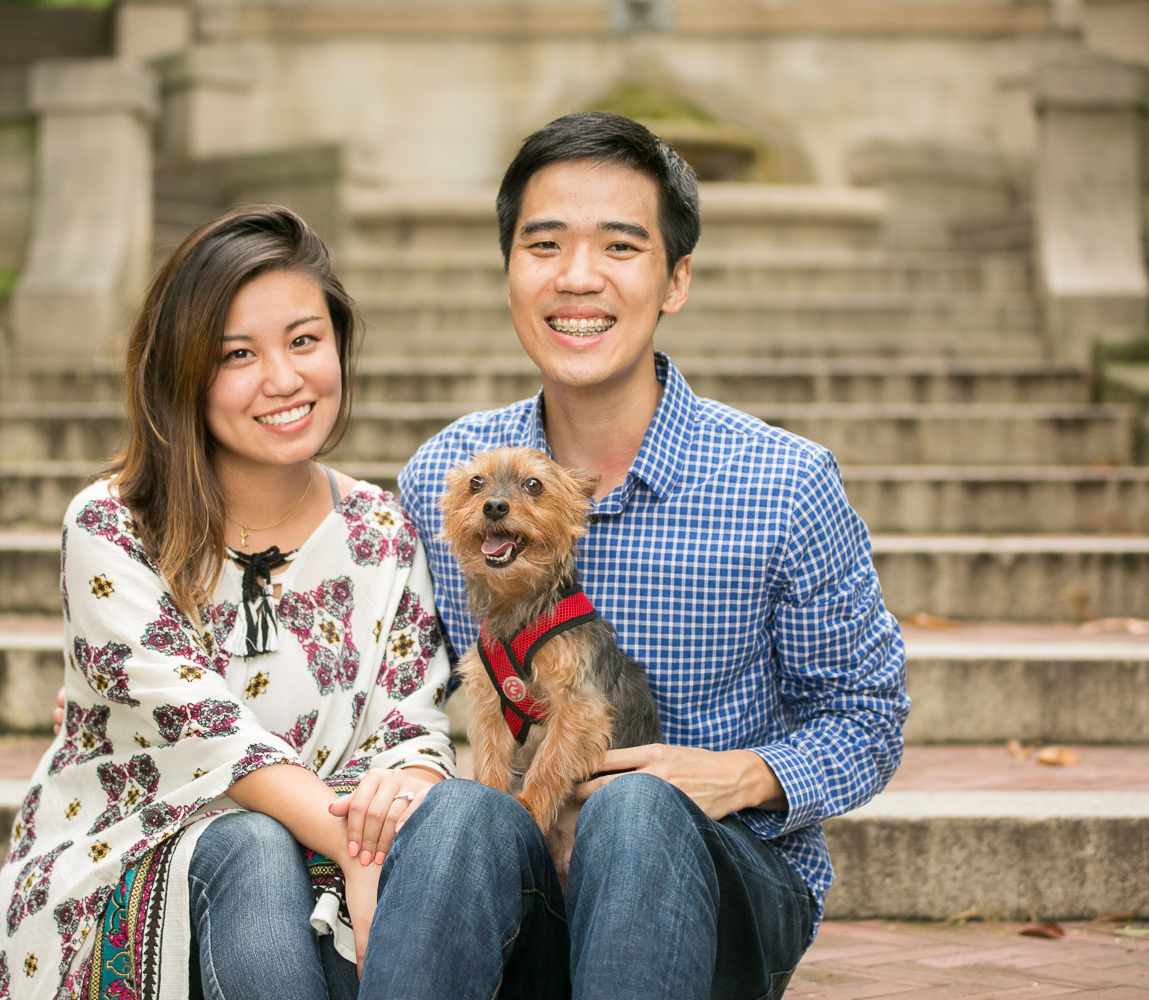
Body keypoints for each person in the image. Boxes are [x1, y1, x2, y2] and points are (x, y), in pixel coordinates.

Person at [363, 112, 911, 999]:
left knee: (636, 810)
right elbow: (396, 695)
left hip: (725, 884)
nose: (578, 277)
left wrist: (746, 773)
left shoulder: (784, 483)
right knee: (462, 814)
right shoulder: (446, 481)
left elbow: (867, 714)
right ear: (509, 271)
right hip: (520, 882)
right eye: (545, 244)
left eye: (620, 246)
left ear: (676, 279)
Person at [0, 206, 456, 1000]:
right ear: (185, 371)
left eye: (303, 340)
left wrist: (403, 798)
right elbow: (206, 734)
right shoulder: (114, 527)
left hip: (332, 868)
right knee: (251, 845)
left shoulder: (381, 530)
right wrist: (353, 842)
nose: (284, 379)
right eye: (237, 355)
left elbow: (410, 723)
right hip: (132, 861)